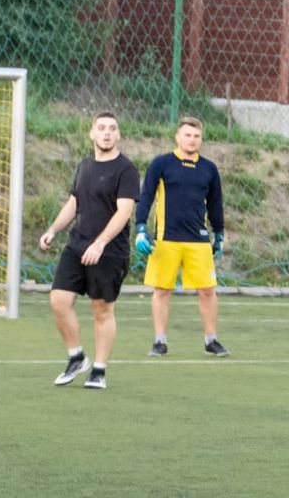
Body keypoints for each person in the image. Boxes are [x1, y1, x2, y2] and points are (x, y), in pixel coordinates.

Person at [38, 111, 139, 390]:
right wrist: (53, 229)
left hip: (109, 251)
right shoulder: (84, 165)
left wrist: (100, 243)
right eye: (101, 128)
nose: (107, 133)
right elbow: (74, 203)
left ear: (118, 135)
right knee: (59, 300)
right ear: (91, 133)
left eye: (112, 128)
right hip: (77, 244)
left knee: (101, 310)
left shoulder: (126, 170)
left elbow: (124, 212)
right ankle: (77, 357)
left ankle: (99, 370)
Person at [134, 116, 228, 357]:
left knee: (207, 290)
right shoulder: (161, 164)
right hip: (166, 239)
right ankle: (160, 341)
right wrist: (140, 227)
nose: (192, 140)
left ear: (201, 139)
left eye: (196, 136)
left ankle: (211, 341)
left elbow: (215, 204)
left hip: (199, 240)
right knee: (161, 290)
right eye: (187, 135)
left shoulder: (209, 169)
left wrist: (219, 234)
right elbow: (146, 197)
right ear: (177, 137)